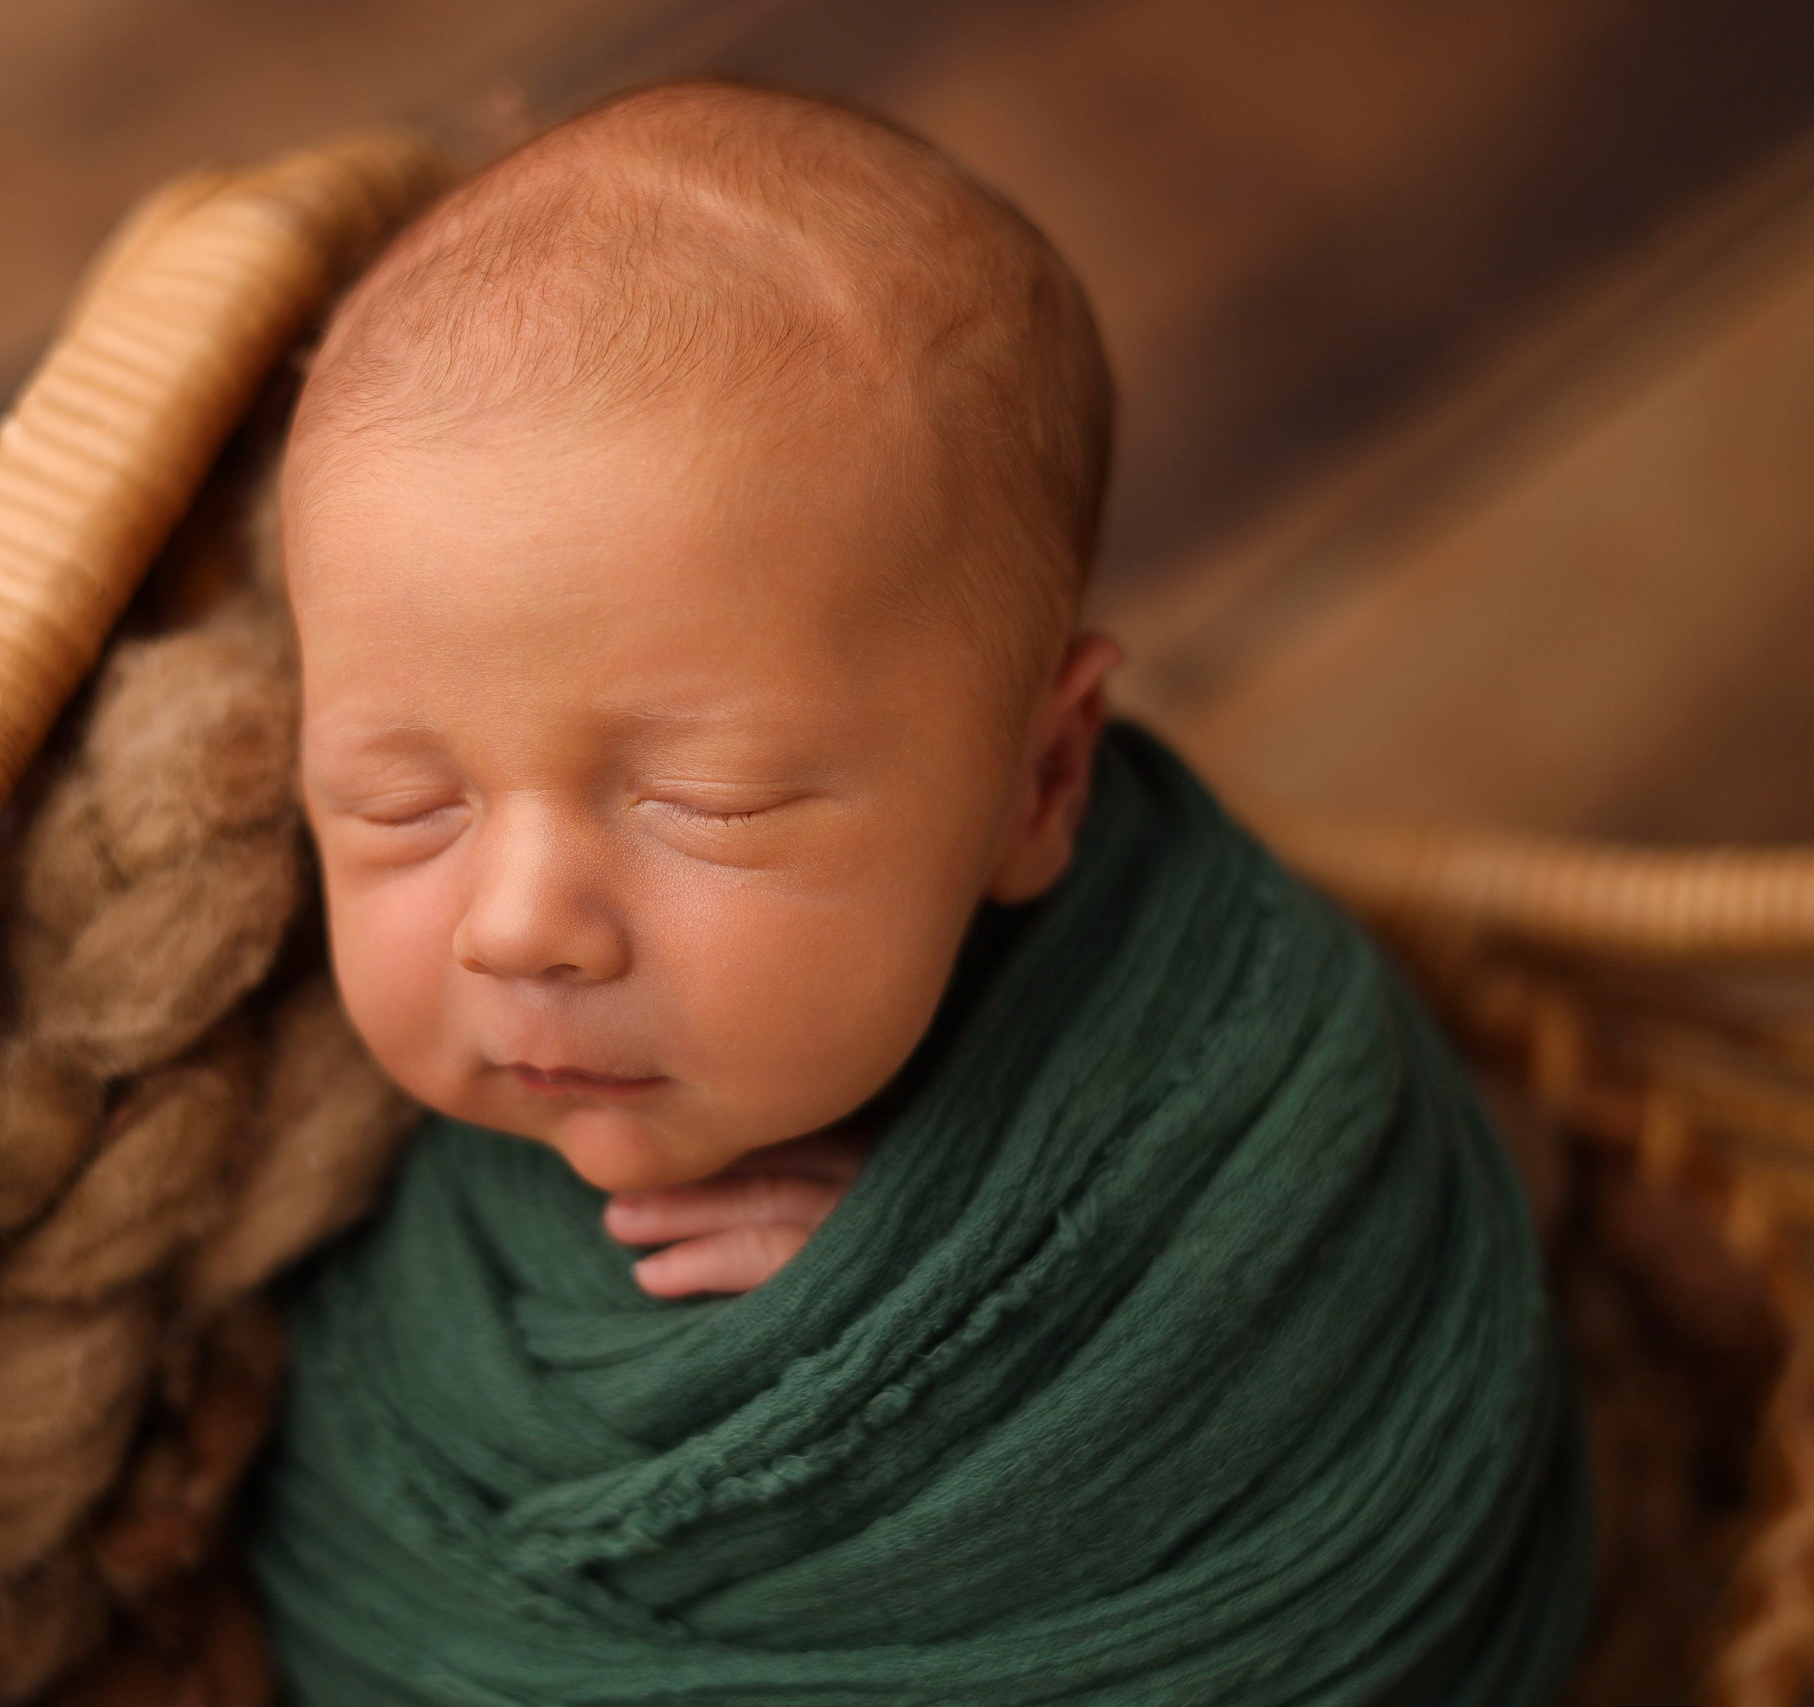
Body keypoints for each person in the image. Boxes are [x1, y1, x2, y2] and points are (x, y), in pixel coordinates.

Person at [245, 78, 1591, 1705]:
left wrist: (947, 1310)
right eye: (399, 805)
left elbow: (1356, 1380)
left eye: (708, 802)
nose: (517, 925)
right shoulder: (325, 1188)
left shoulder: (1236, 1050)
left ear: (1043, 782)